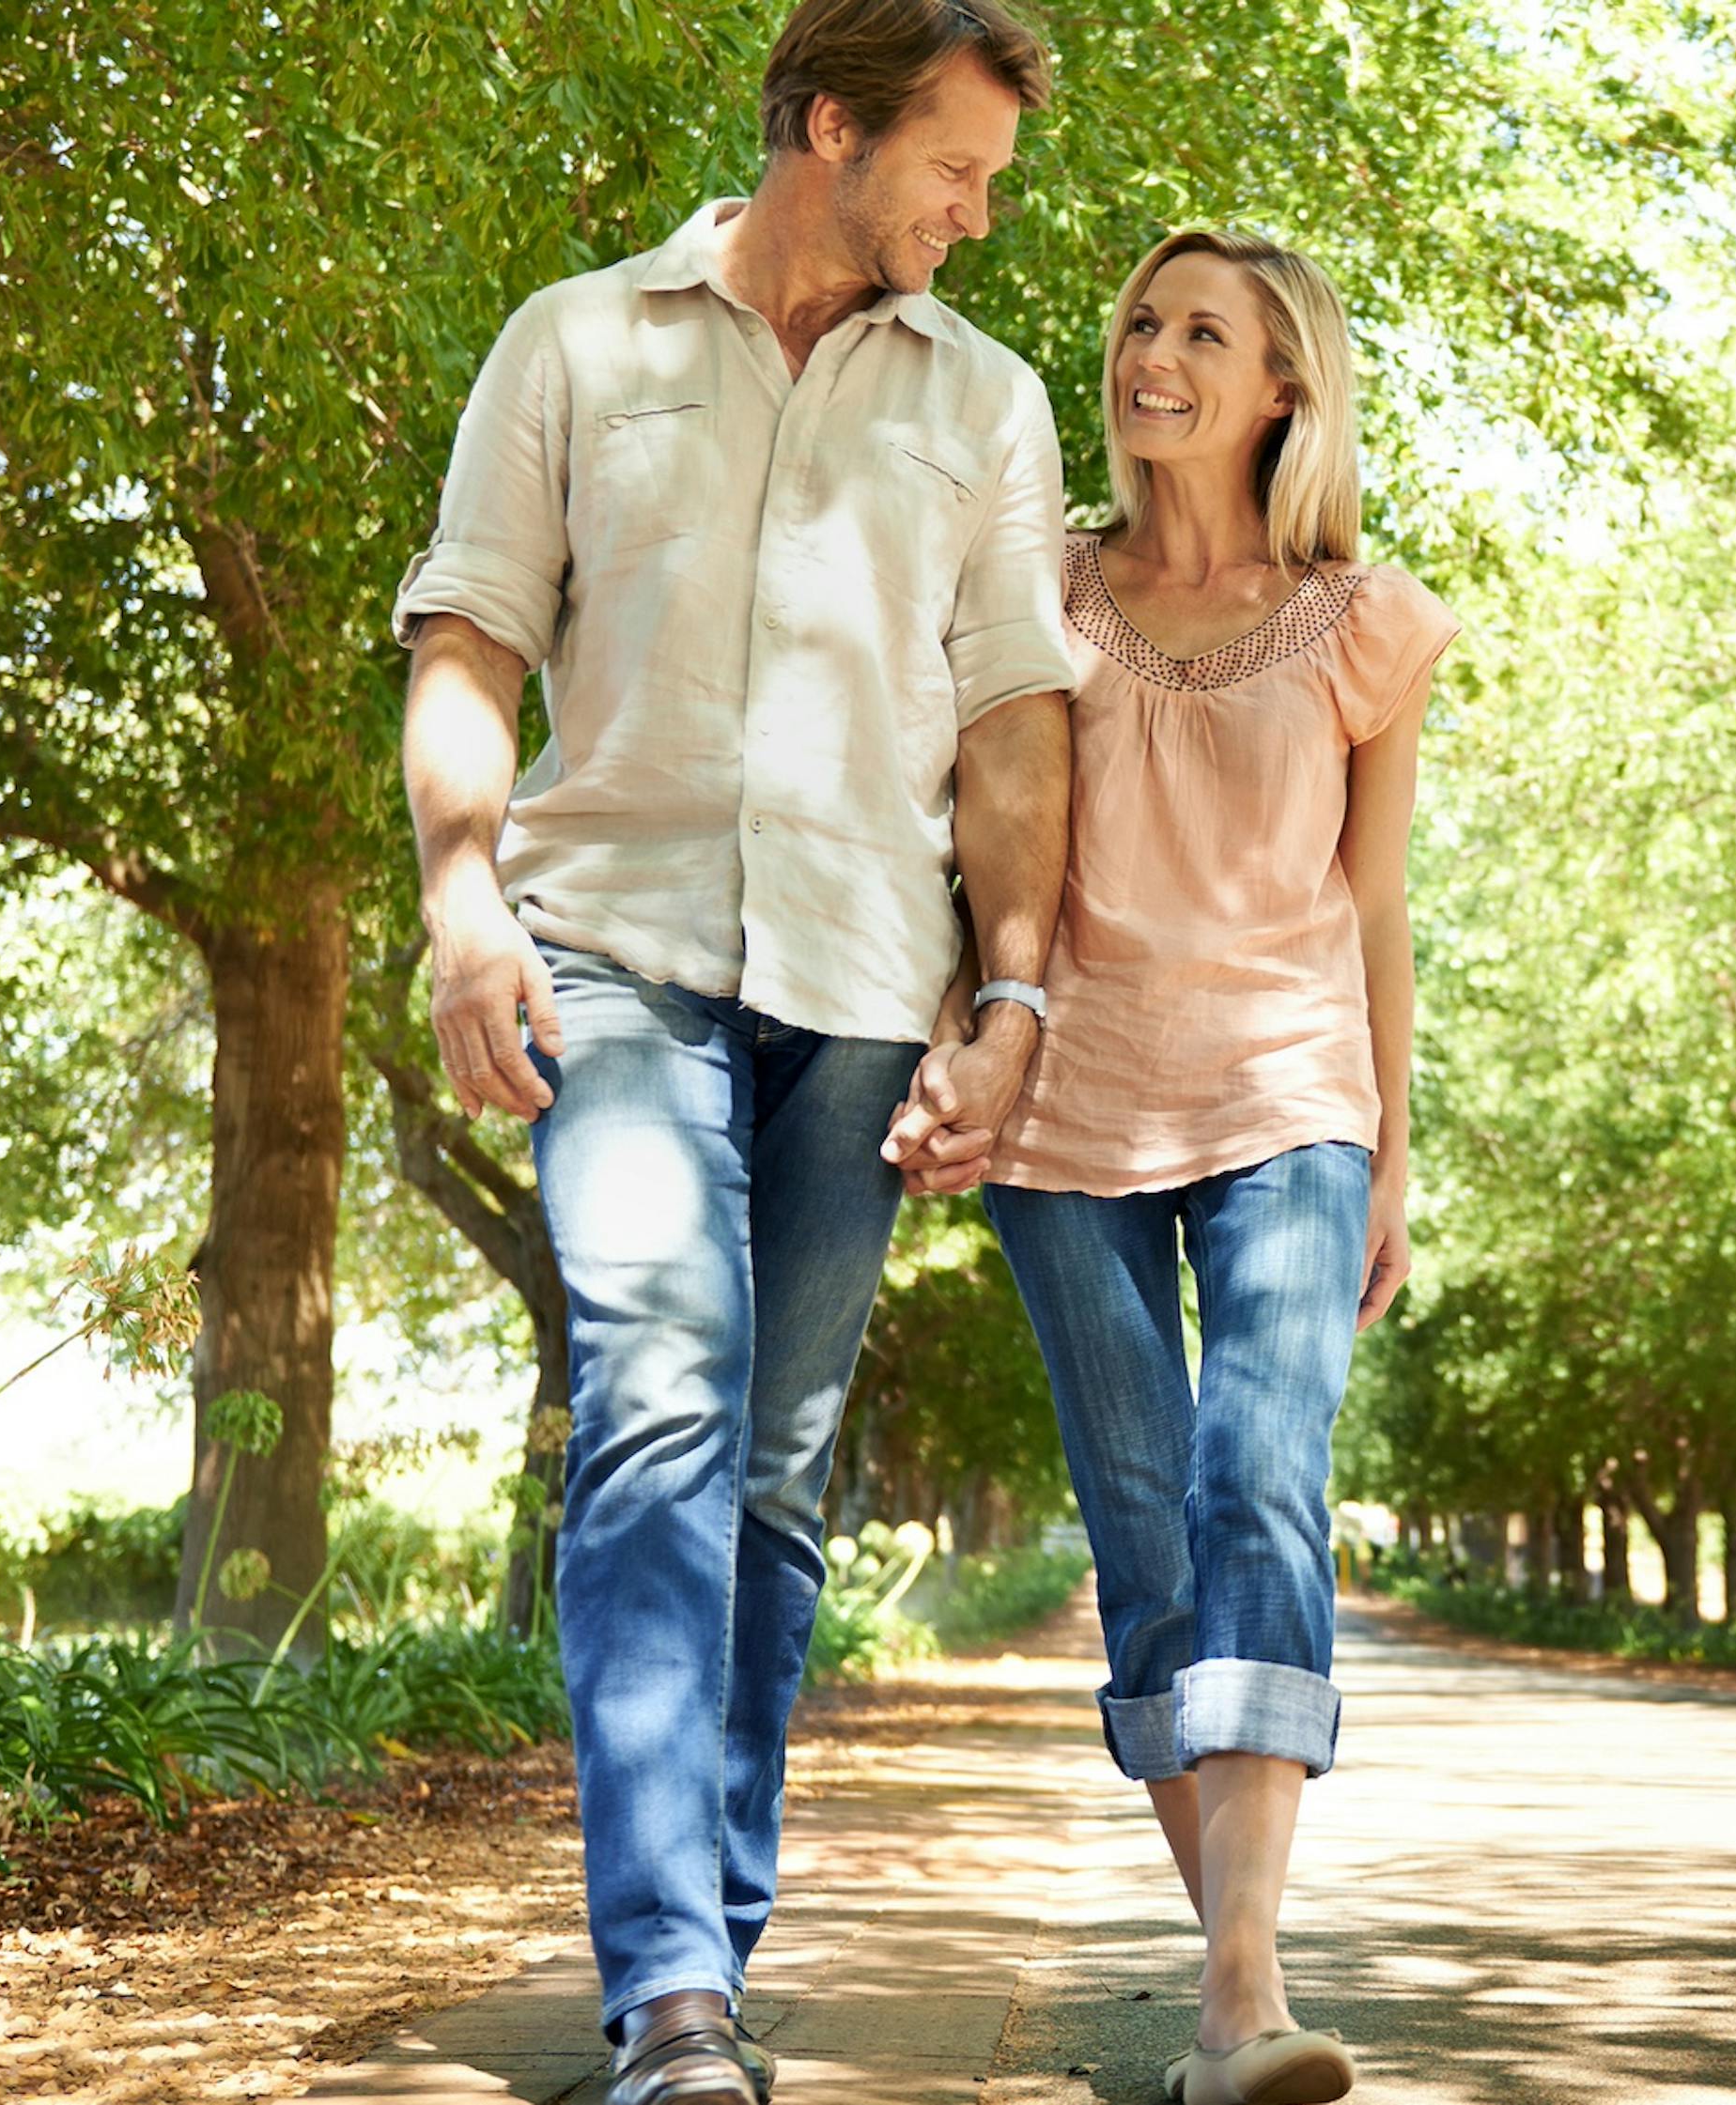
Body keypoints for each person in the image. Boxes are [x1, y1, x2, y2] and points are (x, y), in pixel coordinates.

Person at [389, 4, 1074, 2099]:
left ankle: (716, 1926)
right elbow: (471, 639)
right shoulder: (577, 342)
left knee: (775, 1472)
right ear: (829, 126)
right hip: (618, 947)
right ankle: (670, 1986)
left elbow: (1013, 727)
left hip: (868, 983)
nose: (976, 214)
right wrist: (457, 903)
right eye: (954, 168)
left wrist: (1016, 993)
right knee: (660, 1407)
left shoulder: (991, 401)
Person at [893, 228, 1455, 2105]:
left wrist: (1392, 1137)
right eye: (1144, 319)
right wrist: (960, 1033)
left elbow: (1374, 898)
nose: (1155, 351)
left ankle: (1238, 1987)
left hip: (1294, 1091)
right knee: (1142, 1516)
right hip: (1069, 1111)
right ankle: (1234, 1992)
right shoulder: (1033, 595)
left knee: (1253, 1470)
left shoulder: (1365, 620)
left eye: (1203, 329)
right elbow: (974, 839)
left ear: (1283, 385)